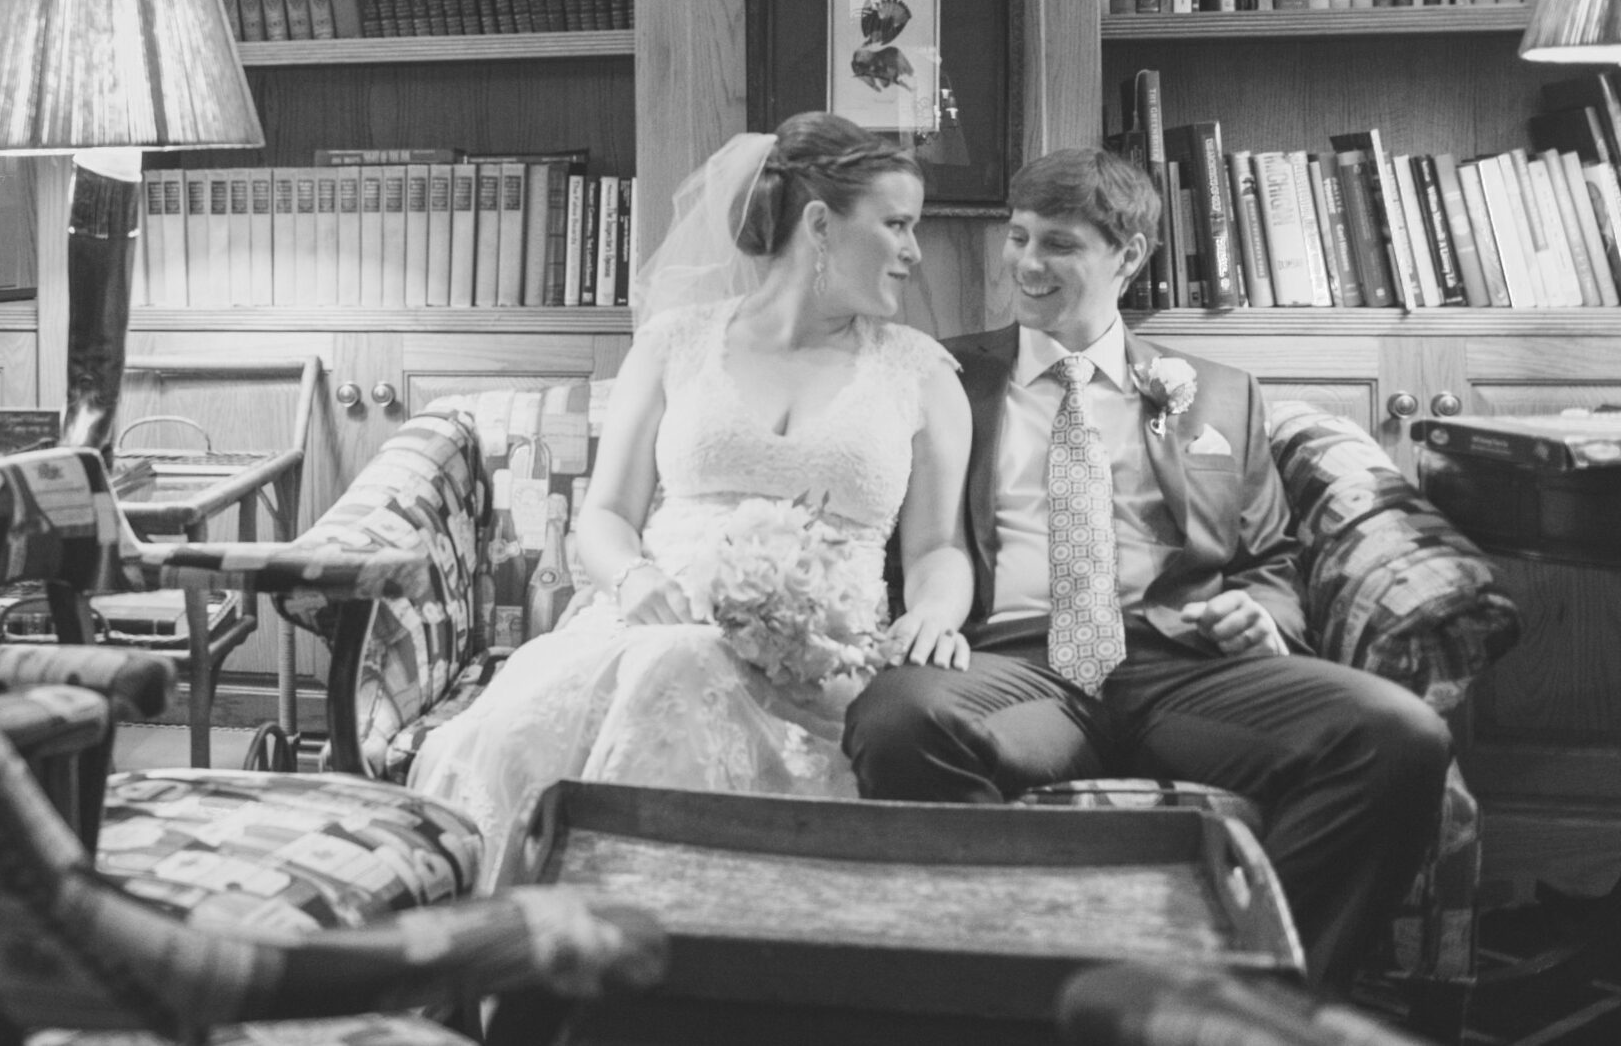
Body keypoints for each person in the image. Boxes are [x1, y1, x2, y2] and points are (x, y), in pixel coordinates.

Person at [841, 148, 1452, 989]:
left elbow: (1271, 557)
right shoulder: (944, 376)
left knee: (1399, 735)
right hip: (1013, 667)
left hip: (1183, 671)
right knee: (897, 720)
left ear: (1128, 256)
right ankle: (1017, 995)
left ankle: (1249, 1002)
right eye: (1017, 236)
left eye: (1057, 243)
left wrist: (1260, 615)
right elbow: (883, 525)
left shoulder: (1219, 394)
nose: (1024, 263)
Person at [407, 115, 975, 878]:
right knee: (602, 693)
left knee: (683, 667)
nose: (913, 250)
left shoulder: (924, 375)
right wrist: (635, 579)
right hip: (645, 618)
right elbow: (605, 516)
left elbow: (939, 548)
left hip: (815, 658)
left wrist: (934, 612)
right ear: (819, 224)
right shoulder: (674, 342)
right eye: (897, 224)